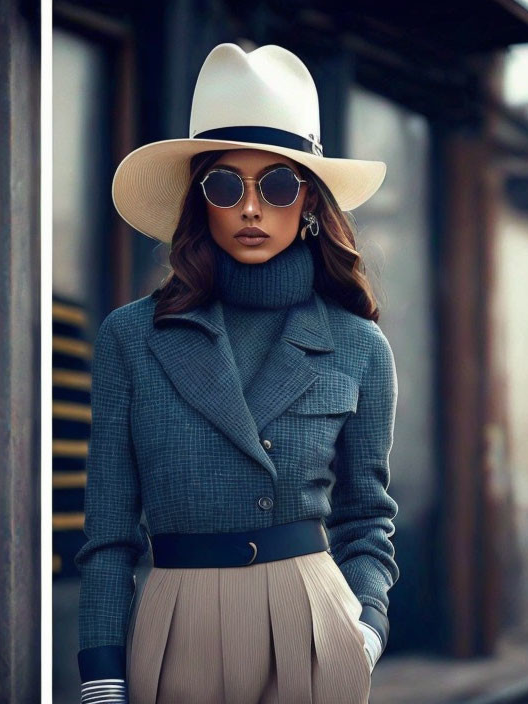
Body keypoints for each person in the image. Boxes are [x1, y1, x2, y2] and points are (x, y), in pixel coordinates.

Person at [75, 43, 399, 703]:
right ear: (201, 201)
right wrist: (102, 675)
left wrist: (363, 630)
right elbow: (107, 531)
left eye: (276, 185)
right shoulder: (132, 337)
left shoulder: (359, 345)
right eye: (226, 185)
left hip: (313, 627)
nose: (251, 208)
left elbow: (368, 517)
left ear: (308, 201)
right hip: (174, 625)